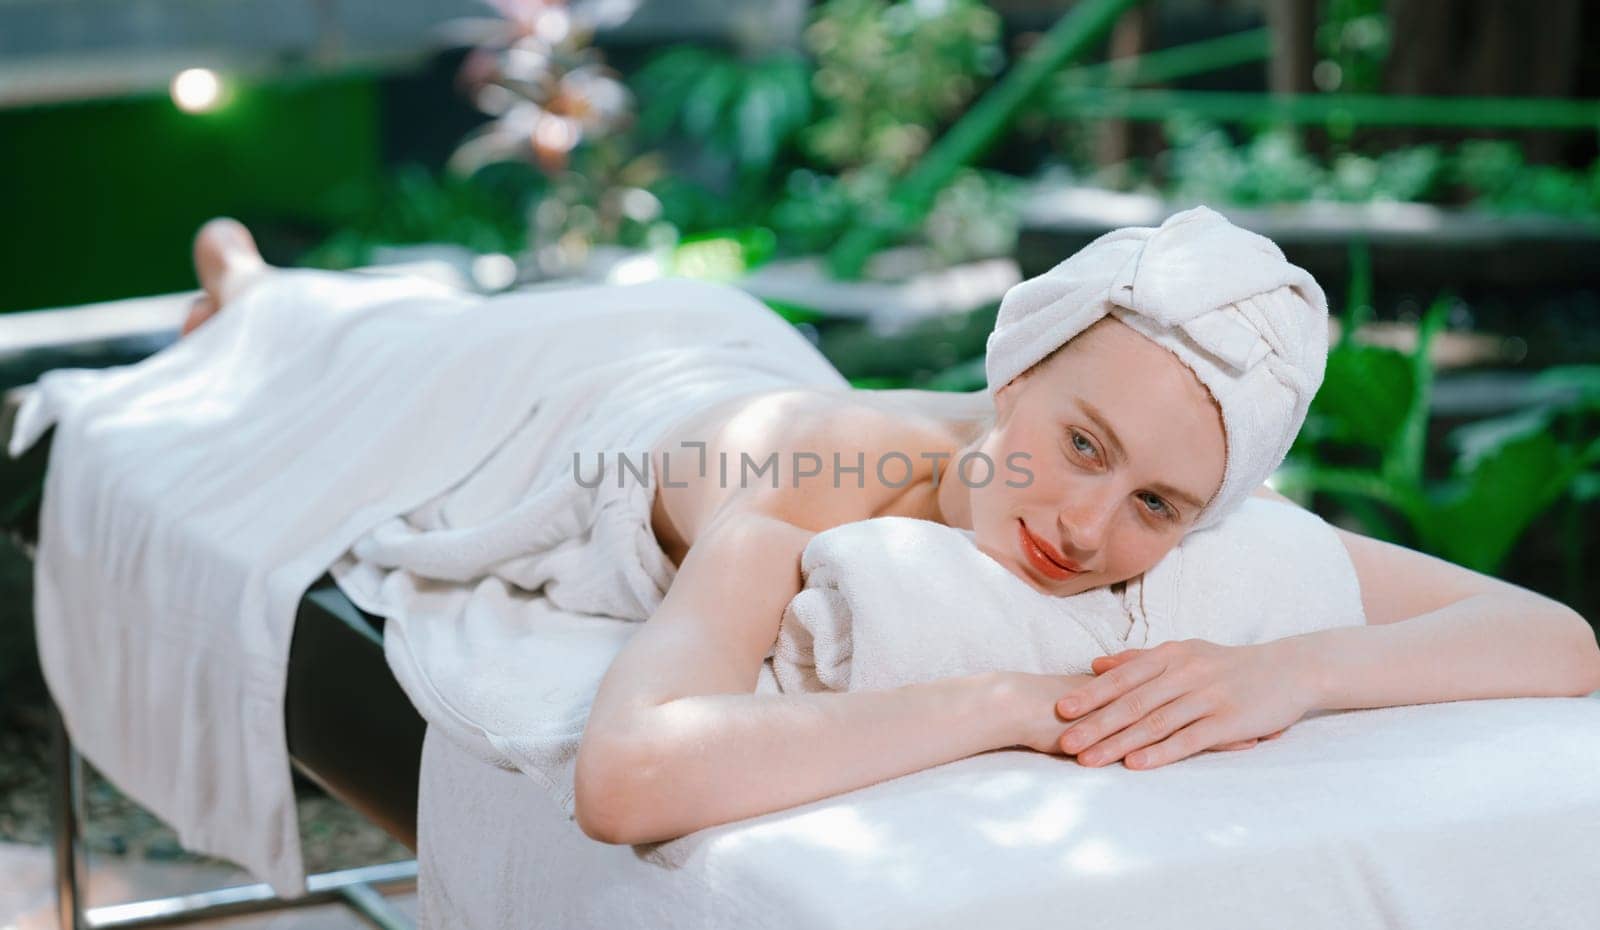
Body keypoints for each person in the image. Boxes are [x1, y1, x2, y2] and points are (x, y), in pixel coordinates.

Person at [182, 212, 1600, 850]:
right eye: (1081, 442)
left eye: (1160, 504)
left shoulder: (1191, 484)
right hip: (570, 402)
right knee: (340, 352)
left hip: (732, 345)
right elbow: (625, 776)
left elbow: (1561, 637)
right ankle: (248, 282)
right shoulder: (821, 486)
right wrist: (1005, 702)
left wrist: (1287, 670)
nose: (1089, 524)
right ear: (1011, 371)